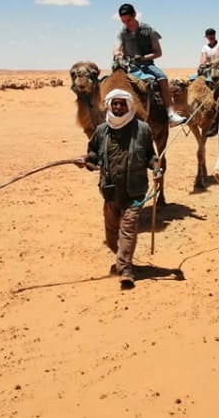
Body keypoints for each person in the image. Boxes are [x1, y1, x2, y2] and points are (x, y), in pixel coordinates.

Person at [74, 88, 162, 290]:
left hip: (135, 191)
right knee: (112, 235)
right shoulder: (101, 131)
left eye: (122, 103)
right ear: (110, 105)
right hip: (110, 191)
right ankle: (122, 258)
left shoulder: (142, 130)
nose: (119, 107)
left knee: (128, 229)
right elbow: (93, 155)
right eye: (115, 103)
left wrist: (157, 168)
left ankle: (126, 270)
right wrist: (85, 160)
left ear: (129, 106)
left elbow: (151, 156)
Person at [113, 3, 187, 127]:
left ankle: (170, 113)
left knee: (162, 79)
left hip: (147, 65)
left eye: (129, 20)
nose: (126, 23)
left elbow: (158, 52)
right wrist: (118, 54)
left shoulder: (149, 30)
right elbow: (116, 48)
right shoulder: (121, 31)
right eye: (123, 21)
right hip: (128, 66)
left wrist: (143, 57)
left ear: (135, 15)